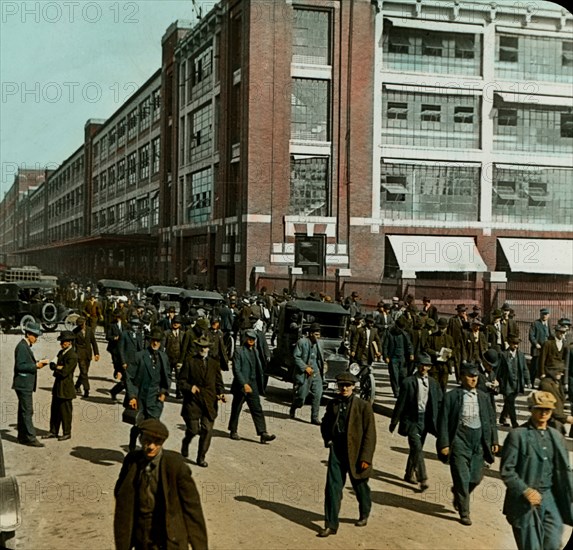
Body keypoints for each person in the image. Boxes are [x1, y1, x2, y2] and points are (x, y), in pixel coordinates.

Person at [114, 418, 208, 550]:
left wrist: (200, 546)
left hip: (169, 537)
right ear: (140, 439)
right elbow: (121, 495)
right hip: (141, 535)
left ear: (162, 443)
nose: (151, 446)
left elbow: (192, 509)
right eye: (147, 440)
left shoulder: (175, 466)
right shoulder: (132, 461)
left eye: (157, 442)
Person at [500, 391, 573, 550]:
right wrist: (525, 490)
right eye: (539, 408)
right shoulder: (518, 435)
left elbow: (564, 471)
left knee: (553, 542)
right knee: (531, 547)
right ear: (530, 409)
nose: (544, 412)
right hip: (524, 502)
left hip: (550, 498)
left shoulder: (556, 436)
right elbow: (507, 471)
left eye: (547, 409)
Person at [437, 362, 499, 526]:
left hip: (478, 440)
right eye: (470, 376)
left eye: (476, 376)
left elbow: (491, 420)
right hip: (459, 440)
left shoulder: (483, 397)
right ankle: (465, 512)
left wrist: (494, 440)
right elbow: (442, 421)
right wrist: (444, 443)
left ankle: (458, 493)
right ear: (461, 378)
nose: (473, 379)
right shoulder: (451, 396)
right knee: (462, 477)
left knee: (476, 477)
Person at [318, 372, 376, 537]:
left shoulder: (363, 406)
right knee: (332, 487)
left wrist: (366, 458)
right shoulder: (333, 404)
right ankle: (330, 524)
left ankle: (364, 512)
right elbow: (326, 423)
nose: (344, 388)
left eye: (347, 385)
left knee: (360, 485)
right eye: (341, 385)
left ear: (353, 387)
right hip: (337, 450)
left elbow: (370, 435)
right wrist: (328, 439)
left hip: (356, 453)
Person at [390, 353, 442, 491]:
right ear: (417, 366)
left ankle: (408, 474)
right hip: (412, 420)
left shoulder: (433, 383)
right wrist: (394, 422)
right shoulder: (408, 382)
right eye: (422, 365)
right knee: (417, 448)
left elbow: (440, 403)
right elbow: (400, 404)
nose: (424, 368)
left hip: (425, 421)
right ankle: (422, 478)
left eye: (427, 365)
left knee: (416, 449)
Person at [178, 336, 225, 467]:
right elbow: (181, 381)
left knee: (207, 430)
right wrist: (189, 387)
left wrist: (221, 393)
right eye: (200, 347)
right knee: (193, 430)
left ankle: (201, 457)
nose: (202, 349)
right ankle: (186, 441)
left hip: (209, 402)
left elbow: (218, 382)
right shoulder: (190, 362)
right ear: (197, 348)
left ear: (209, 348)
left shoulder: (214, 364)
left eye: (205, 347)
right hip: (193, 402)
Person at [125, 327, 171, 451]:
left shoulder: (163, 357)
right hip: (141, 397)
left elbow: (167, 376)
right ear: (149, 341)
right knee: (139, 425)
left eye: (158, 341)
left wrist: (164, 392)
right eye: (153, 340)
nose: (155, 343)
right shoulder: (139, 356)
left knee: (153, 426)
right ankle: (133, 441)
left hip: (155, 399)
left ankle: (148, 451)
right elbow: (129, 377)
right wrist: (132, 396)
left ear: (161, 342)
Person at [228, 328, 276, 444]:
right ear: (245, 339)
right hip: (242, 386)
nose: (251, 340)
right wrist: (244, 384)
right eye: (249, 338)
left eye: (253, 339)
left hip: (253, 385)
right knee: (236, 408)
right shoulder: (239, 351)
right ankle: (233, 430)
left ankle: (262, 433)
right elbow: (237, 370)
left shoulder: (255, 351)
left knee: (257, 409)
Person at [12, 323, 48, 447]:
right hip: (23, 384)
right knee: (28, 411)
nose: (36, 338)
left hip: (23, 384)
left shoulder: (24, 345)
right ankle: (31, 438)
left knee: (23, 410)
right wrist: (35, 366)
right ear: (28, 334)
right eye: (35, 336)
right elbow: (20, 366)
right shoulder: (22, 347)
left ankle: (22, 437)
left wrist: (38, 363)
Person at [44, 331, 79, 441]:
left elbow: (65, 372)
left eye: (64, 342)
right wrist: (57, 367)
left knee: (65, 412)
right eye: (61, 342)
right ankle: (53, 431)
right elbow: (53, 365)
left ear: (69, 343)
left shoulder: (72, 356)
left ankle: (67, 432)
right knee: (55, 410)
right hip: (58, 386)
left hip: (66, 388)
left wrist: (57, 368)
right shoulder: (61, 352)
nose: (61, 344)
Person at [290, 322, 324, 425]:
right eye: (316, 334)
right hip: (304, 374)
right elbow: (296, 357)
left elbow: (320, 358)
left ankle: (314, 417)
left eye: (319, 334)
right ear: (310, 334)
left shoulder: (320, 343)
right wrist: (305, 368)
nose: (318, 337)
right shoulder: (302, 342)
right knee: (301, 397)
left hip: (316, 373)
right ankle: (294, 406)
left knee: (318, 394)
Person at [497, 336, 531, 428]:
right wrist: (497, 382)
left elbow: (525, 369)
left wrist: (528, 381)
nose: (515, 346)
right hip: (507, 383)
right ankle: (514, 423)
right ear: (510, 344)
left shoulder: (521, 355)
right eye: (514, 344)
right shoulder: (503, 355)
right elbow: (498, 370)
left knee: (508, 402)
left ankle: (502, 418)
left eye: (517, 344)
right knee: (510, 402)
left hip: (517, 383)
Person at [72, 316, 99, 398]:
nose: (81, 326)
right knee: (84, 372)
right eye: (79, 325)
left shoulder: (89, 330)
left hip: (88, 354)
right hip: (79, 354)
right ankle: (86, 390)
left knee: (84, 372)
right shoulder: (75, 331)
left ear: (84, 323)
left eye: (81, 324)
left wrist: (96, 353)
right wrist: (73, 355)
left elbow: (93, 342)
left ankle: (76, 386)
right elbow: (73, 345)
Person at [529, 308, 553, 384]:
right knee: (535, 367)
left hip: (547, 350)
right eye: (543, 314)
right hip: (538, 349)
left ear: (548, 315)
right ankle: (531, 382)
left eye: (546, 314)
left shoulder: (549, 323)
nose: (544, 316)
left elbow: (551, 335)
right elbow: (531, 336)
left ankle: (543, 383)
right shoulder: (535, 323)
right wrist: (536, 344)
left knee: (545, 367)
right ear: (540, 315)